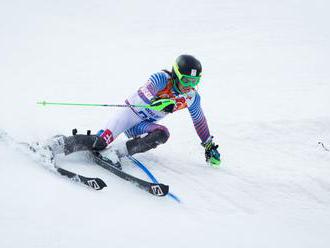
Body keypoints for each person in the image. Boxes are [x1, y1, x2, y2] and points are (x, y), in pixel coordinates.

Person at [38, 55, 221, 167]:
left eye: (195, 82)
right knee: (100, 141)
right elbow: (145, 95)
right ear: (176, 74)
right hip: (129, 115)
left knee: (162, 133)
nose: (190, 86)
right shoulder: (161, 78)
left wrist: (208, 145)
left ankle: (116, 154)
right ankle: (54, 145)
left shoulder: (192, 98)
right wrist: (162, 101)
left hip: (141, 126)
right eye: (186, 80)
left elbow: (199, 121)